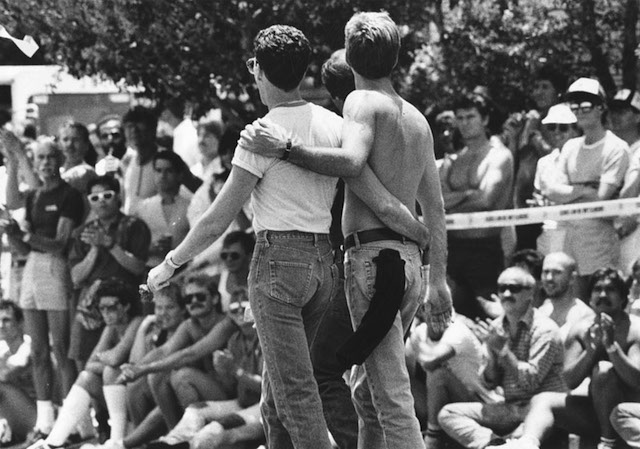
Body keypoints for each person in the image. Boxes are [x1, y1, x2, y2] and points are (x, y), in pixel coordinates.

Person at [148, 20, 431, 449]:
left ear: (258, 70)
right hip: (323, 267)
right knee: (275, 396)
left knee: (295, 392)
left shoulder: (259, 135)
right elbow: (374, 192)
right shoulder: (335, 126)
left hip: (278, 264)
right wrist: (417, 230)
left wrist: (170, 265)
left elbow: (216, 219)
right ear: (303, 73)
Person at [237, 13, 450, 448]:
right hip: (408, 265)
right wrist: (439, 278)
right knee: (366, 392)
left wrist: (286, 147)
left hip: (376, 262)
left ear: (350, 56)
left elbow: (352, 164)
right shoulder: (417, 119)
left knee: (391, 396)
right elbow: (436, 207)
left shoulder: (359, 103)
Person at [487, 267, 640, 449]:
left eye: (610, 289)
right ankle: (527, 444)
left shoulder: (635, 330)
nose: (603, 294)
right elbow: (569, 381)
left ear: (623, 297)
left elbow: (636, 381)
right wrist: (590, 352)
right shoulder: (582, 328)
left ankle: (609, 444)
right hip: (596, 412)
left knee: (604, 370)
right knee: (543, 400)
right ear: (589, 298)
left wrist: (611, 347)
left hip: (630, 413)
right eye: (597, 289)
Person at [0, 132, 84, 442]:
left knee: (60, 349)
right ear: (34, 163)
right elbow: (12, 204)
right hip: (32, 267)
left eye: (51, 157)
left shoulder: (69, 195)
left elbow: (60, 244)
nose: (47, 163)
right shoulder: (35, 196)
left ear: (60, 160)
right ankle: (46, 422)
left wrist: (25, 237)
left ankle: (75, 422)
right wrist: (12, 160)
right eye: (41, 158)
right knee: (37, 351)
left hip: (54, 267)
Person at [438, 267, 566, 449]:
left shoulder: (545, 329)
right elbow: (489, 382)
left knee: (524, 435)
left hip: (540, 411)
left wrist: (503, 351)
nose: (506, 294)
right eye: (502, 288)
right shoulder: (497, 327)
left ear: (531, 292)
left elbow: (530, 382)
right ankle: (497, 444)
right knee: (449, 413)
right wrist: (492, 353)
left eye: (514, 288)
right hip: (510, 408)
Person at [27, 278, 143, 449]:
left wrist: (108, 362)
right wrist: (109, 363)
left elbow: (115, 358)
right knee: (87, 377)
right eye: (102, 308)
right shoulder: (111, 328)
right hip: (121, 394)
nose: (105, 313)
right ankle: (53, 442)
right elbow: (90, 364)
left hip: (140, 396)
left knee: (110, 372)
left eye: (111, 307)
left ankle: (117, 441)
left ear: (126, 306)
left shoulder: (136, 322)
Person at [544, 78, 630, 299]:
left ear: (601, 107)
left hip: (598, 244)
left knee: (598, 303)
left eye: (586, 106)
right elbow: (552, 191)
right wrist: (584, 189)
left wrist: (571, 190)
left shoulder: (616, 148)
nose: (579, 112)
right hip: (568, 241)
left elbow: (601, 197)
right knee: (568, 304)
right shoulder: (571, 147)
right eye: (574, 106)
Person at [148, 288, 264, 449]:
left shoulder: (264, 339)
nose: (239, 313)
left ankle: (187, 445)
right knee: (195, 410)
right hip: (241, 401)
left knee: (216, 428)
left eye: (244, 308)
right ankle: (170, 441)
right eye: (234, 309)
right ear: (229, 313)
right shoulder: (235, 339)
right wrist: (223, 371)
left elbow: (266, 389)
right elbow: (232, 387)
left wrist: (235, 370)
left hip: (263, 406)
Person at [118, 276, 237, 428]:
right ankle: (174, 436)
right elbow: (164, 350)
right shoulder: (189, 325)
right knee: (155, 377)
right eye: (188, 298)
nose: (193, 301)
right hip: (209, 390)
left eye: (200, 296)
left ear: (214, 299)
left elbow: (190, 353)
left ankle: (188, 435)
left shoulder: (225, 324)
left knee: (183, 375)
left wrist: (142, 369)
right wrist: (133, 369)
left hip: (233, 395)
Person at [440, 93, 514, 319]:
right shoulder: (453, 160)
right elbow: (439, 203)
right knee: (452, 319)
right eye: (459, 118)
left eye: (470, 117)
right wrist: (469, 193)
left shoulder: (499, 156)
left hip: (485, 249)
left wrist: (455, 199)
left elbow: (486, 200)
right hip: (452, 249)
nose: (464, 123)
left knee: (492, 317)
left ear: (484, 120)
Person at [69, 175, 151, 369]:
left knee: (123, 363)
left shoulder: (135, 226)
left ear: (118, 197)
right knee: (86, 362)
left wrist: (110, 245)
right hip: (91, 308)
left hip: (124, 307)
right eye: (94, 198)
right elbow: (76, 276)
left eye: (107, 195)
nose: (101, 201)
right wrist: (95, 249)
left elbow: (138, 267)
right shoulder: (82, 232)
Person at [407, 308, 502, 448]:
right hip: (442, 404)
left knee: (438, 376)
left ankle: (433, 438)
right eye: (432, 306)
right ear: (421, 311)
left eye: (443, 305)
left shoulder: (457, 330)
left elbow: (430, 361)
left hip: (481, 402)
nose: (438, 312)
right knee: (402, 381)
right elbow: (405, 371)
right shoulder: (420, 332)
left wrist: (410, 333)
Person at [532, 104, 579, 255]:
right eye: (552, 127)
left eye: (563, 127)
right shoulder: (544, 162)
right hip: (549, 231)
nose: (557, 132)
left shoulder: (584, 158)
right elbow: (538, 195)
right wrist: (537, 203)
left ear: (575, 130)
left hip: (578, 231)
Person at [133, 151, 191, 269]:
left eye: (168, 171)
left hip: (183, 269)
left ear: (179, 174)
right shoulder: (142, 208)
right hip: (151, 269)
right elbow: (133, 247)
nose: (163, 176)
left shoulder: (191, 206)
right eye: (158, 171)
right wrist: (150, 248)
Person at [609, 89, 640, 276]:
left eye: (623, 111)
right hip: (610, 232)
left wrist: (635, 218)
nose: (615, 116)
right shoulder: (613, 151)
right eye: (613, 111)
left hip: (634, 231)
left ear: (637, 117)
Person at [0, 300, 36, 445]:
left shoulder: (28, 346)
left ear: (21, 323)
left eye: (6, 320)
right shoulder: (4, 351)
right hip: (15, 416)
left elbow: (6, 375)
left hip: (34, 418)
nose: (1, 325)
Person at [537, 252, 595, 341]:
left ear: (572, 278)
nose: (549, 278)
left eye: (557, 272)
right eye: (546, 272)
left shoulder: (584, 316)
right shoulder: (540, 313)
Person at [213, 231, 254, 312]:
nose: (228, 259)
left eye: (234, 255)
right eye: (224, 256)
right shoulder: (217, 281)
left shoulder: (261, 281)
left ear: (249, 256)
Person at [58, 121, 98, 195]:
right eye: (65, 139)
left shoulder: (87, 172)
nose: (70, 144)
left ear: (86, 145)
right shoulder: (59, 171)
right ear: (59, 144)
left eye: (75, 140)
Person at [160, 98, 199, 168]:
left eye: (162, 112)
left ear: (167, 113)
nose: (161, 116)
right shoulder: (182, 131)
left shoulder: (185, 135)